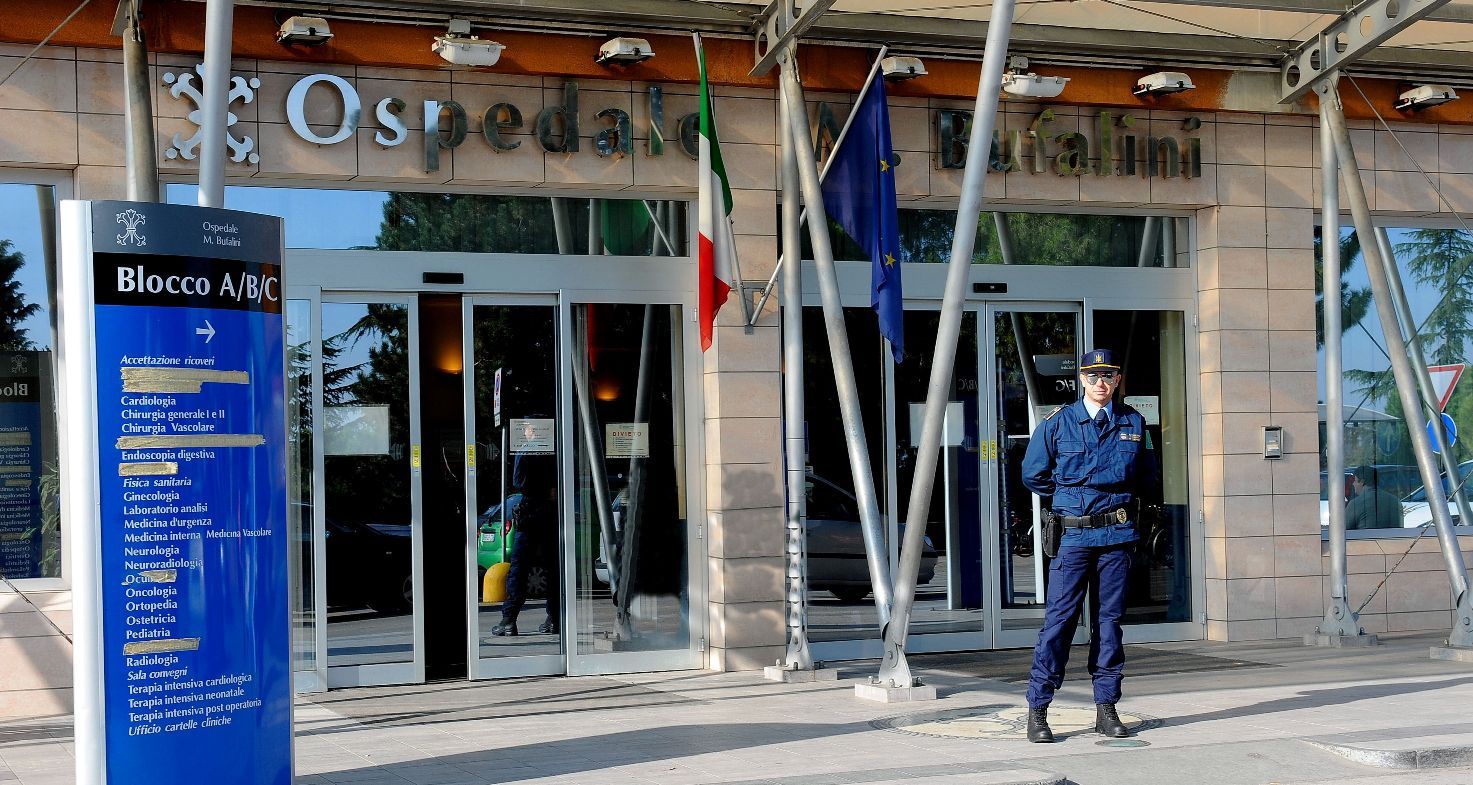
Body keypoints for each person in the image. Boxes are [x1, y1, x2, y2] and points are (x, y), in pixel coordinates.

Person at [1019, 348, 1158, 743]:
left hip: (1116, 538)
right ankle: (1038, 710)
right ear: (1081, 379)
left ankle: (1106, 708)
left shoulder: (1134, 422)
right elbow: (1033, 474)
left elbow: (1147, 476)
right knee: (1059, 623)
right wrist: (1071, 499)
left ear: (1117, 379)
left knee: (1109, 624)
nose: (1101, 383)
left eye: (1108, 375)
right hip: (1075, 537)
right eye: (1093, 376)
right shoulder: (1058, 423)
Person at [491, 423, 560, 637]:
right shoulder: (555, 450)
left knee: (519, 568)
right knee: (553, 567)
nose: (525, 432)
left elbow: (518, 481)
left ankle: (509, 620)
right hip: (551, 513)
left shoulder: (526, 450)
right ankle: (554, 618)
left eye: (528, 428)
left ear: (533, 431)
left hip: (530, 513)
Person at [1345, 465, 1404, 530]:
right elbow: (1400, 530)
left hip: (1365, 537)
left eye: (1355, 480)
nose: (1353, 484)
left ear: (1362, 482)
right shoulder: (1395, 501)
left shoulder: (1355, 504)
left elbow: (1342, 530)